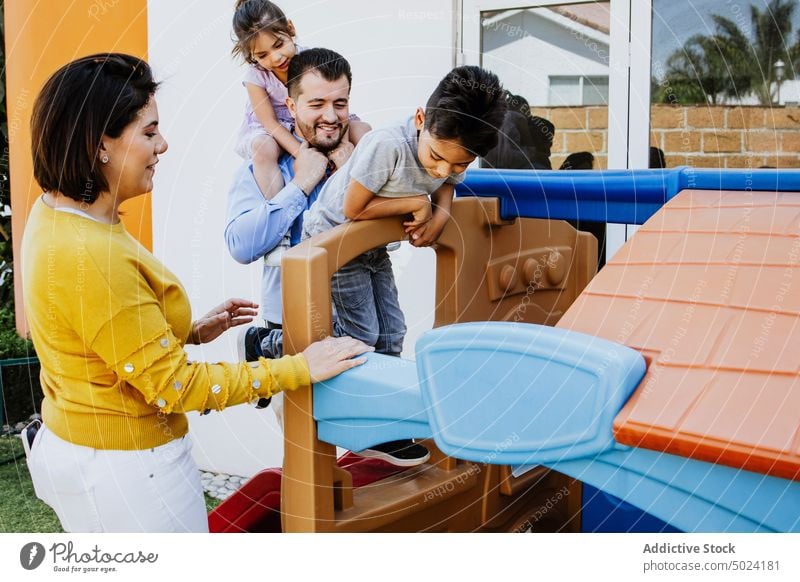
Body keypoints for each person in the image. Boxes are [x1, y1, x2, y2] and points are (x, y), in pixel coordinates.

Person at [22, 53, 371, 533]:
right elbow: (173, 387)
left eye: (341, 103)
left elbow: (95, 331)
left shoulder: (60, 213)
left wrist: (186, 330)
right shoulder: (89, 254)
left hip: (83, 439)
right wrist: (300, 369)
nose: (162, 144)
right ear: (98, 144)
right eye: (148, 132)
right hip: (127, 470)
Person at [299, 66, 507, 463]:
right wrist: (417, 203)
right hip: (334, 242)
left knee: (392, 333)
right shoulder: (387, 145)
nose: (443, 170)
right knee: (363, 335)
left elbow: (446, 185)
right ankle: (273, 345)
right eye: (437, 158)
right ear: (419, 120)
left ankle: (383, 420)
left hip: (374, 248)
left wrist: (442, 215)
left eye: (459, 165)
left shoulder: (450, 154)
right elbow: (353, 208)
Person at [231, 0, 370, 209]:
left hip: (313, 118)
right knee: (263, 148)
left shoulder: (309, 59)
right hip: (275, 126)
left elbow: (334, 101)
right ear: (251, 57)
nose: (276, 57)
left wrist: (342, 145)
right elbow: (269, 122)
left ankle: (373, 201)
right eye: (262, 55)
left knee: (364, 132)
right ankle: (276, 209)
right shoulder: (256, 77)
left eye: (278, 44)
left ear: (290, 29)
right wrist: (301, 153)